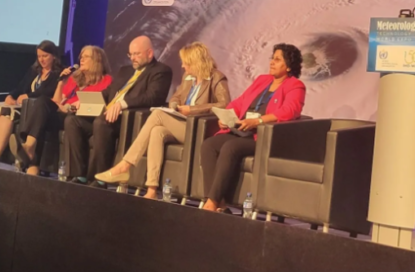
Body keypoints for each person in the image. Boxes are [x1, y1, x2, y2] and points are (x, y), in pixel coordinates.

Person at [96, 42, 231, 198]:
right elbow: (175, 97)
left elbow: (224, 104)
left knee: (157, 115)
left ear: (196, 62)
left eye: (186, 63)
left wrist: (192, 110)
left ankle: (125, 166)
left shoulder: (216, 77)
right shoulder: (188, 77)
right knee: (157, 131)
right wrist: (174, 106)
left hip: (198, 128)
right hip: (181, 122)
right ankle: (152, 189)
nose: (183, 66)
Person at [200, 43, 305, 212]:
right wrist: (226, 116)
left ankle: (212, 203)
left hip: (262, 136)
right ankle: (219, 204)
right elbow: (240, 102)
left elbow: (290, 111)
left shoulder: (295, 85)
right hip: (243, 129)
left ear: (288, 66)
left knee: (230, 147)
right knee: (209, 145)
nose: (272, 62)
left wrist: (258, 121)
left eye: (277, 60)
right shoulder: (262, 80)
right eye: (272, 58)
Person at [65, 36, 173, 187]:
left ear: (149, 53)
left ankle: (99, 178)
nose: (133, 58)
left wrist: (122, 104)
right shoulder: (125, 70)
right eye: (130, 54)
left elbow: (153, 97)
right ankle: (79, 175)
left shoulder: (161, 71)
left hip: (128, 119)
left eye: (137, 54)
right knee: (72, 121)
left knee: (101, 122)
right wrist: (85, 101)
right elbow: (108, 91)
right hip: (107, 115)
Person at [10, 45, 112, 176]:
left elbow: (97, 103)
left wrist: (69, 107)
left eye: (86, 57)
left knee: (45, 115)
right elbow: (57, 100)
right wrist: (60, 82)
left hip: (80, 117)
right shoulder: (75, 78)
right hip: (63, 112)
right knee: (42, 104)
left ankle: (32, 159)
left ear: (97, 60)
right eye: (81, 57)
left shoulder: (105, 80)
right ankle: (30, 148)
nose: (81, 59)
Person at [0, 40, 61, 167]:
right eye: (39, 56)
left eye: (45, 56)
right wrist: (11, 96)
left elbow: (48, 92)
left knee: (7, 115)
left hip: (34, 108)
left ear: (54, 56)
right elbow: (20, 87)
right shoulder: (34, 70)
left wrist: (29, 96)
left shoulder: (59, 73)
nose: (41, 60)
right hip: (19, 104)